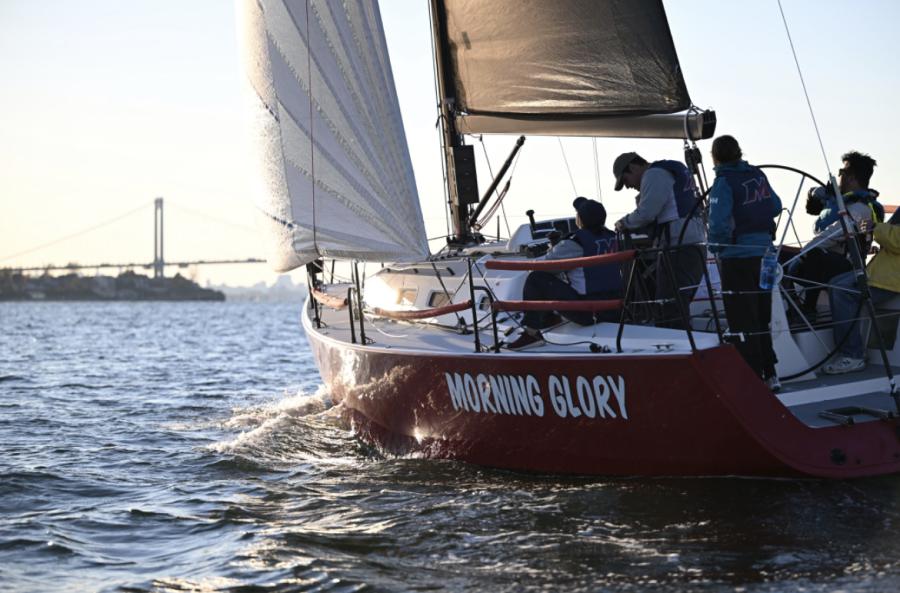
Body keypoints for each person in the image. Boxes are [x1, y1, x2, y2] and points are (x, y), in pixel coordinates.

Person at [707, 135, 783, 391]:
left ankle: (753, 381)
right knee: (762, 317)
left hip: (739, 259)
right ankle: (771, 373)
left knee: (743, 321)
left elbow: (717, 224)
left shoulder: (723, 182)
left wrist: (715, 246)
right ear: (739, 153)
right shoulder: (758, 175)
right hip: (766, 257)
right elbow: (775, 206)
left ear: (715, 158)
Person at [507, 198, 623, 350]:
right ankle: (548, 318)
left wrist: (554, 248)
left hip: (588, 312)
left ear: (580, 219)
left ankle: (532, 332)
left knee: (536, 279)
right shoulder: (612, 237)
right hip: (615, 309)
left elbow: (547, 267)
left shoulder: (576, 242)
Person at [612, 152, 706, 328]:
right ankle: (688, 341)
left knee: (668, 304)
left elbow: (647, 213)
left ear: (632, 167)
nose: (629, 186)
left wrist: (623, 223)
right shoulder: (673, 169)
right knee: (679, 300)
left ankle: (678, 347)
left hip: (678, 247)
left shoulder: (654, 174)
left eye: (626, 181)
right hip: (695, 244)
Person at [790, 151, 884, 321]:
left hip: (849, 266)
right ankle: (791, 306)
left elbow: (833, 234)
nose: (839, 175)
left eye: (841, 172)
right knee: (780, 255)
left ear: (851, 178)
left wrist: (801, 255)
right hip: (828, 259)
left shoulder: (862, 209)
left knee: (814, 255)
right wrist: (817, 196)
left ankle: (809, 309)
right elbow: (812, 210)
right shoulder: (840, 201)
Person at [824, 209, 900, 374]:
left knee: (841, 291)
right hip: (882, 273)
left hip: (891, 280)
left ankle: (853, 355)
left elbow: (897, 240)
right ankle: (852, 351)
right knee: (835, 284)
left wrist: (875, 227)